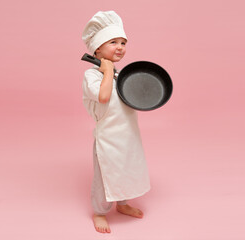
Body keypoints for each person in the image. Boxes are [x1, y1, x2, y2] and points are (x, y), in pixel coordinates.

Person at [81, 11, 151, 234]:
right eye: (113, 42)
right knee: (105, 176)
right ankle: (99, 211)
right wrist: (108, 70)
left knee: (127, 169)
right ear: (97, 49)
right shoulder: (93, 76)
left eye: (123, 42)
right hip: (108, 138)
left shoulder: (121, 74)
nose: (120, 47)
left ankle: (123, 204)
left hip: (128, 134)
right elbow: (103, 97)